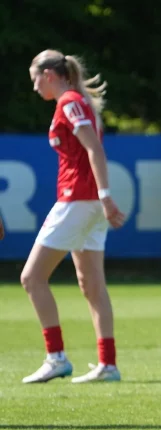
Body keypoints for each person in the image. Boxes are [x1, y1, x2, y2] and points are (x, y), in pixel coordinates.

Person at [21, 50, 125, 384]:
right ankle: (108, 364)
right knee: (92, 284)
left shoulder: (68, 102)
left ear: (49, 75)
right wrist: (102, 198)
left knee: (32, 278)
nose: (35, 87)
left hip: (78, 200)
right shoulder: (76, 101)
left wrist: (105, 196)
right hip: (89, 202)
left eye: (35, 79)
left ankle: (56, 357)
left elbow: (94, 149)